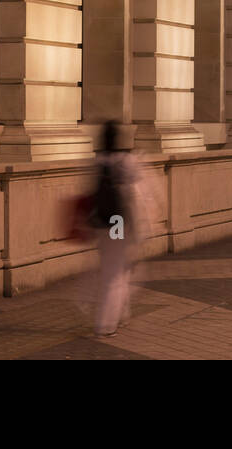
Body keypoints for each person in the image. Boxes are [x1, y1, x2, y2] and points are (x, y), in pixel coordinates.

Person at [91, 121, 153, 338]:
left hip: (102, 223)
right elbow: (140, 196)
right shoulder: (127, 161)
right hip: (120, 223)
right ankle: (106, 324)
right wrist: (142, 228)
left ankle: (122, 313)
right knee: (116, 273)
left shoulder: (98, 161)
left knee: (116, 268)